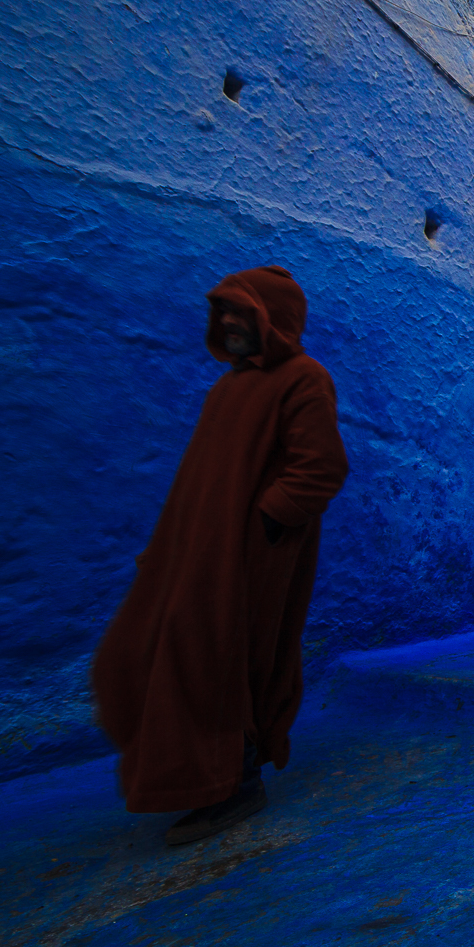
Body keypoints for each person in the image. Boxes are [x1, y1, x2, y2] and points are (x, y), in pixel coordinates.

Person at [92, 266, 349, 845]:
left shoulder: (304, 379)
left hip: (251, 559)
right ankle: (193, 778)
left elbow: (320, 470)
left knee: (229, 663)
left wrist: (263, 526)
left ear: (273, 319)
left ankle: (234, 782)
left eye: (242, 311)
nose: (229, 322)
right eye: (223, 312)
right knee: (148, 657)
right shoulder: (229, 388)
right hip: (199, 557)